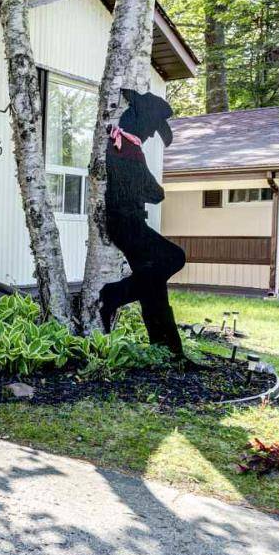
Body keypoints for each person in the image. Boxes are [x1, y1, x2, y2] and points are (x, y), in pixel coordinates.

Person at [98, 88, 187, 357]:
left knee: (154, 283)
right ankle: (113, 294)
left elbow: (146, 188)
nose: (150, 136)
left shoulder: (128, 146)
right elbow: (152, 192)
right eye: (150, 130)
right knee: (174, 257)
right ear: (141, 122)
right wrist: (153, 190)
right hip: (126, 224)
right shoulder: (126, 148)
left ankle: (168, 349)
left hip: (129, 222)